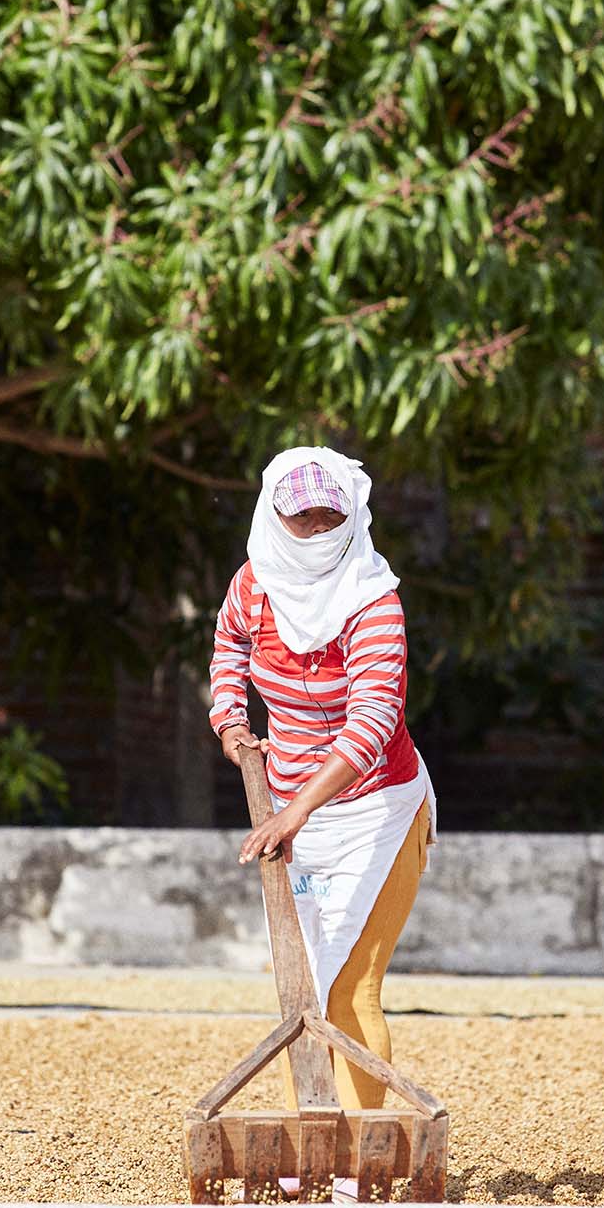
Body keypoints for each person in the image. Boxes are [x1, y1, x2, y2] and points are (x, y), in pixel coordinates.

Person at [208, 445, 436, 1130]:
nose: (313, 530)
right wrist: (231, 726)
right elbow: (228, 651)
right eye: (299, 518)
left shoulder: (374, 602)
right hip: (295, 811)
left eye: (326, 517)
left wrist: (296, 810)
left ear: (351, 519)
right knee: (302, 994)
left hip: (376, 809)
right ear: (273, 517)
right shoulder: (254, 586)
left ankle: (354, 1163)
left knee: (352, 989)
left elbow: (372, 723)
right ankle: (308, 1145)